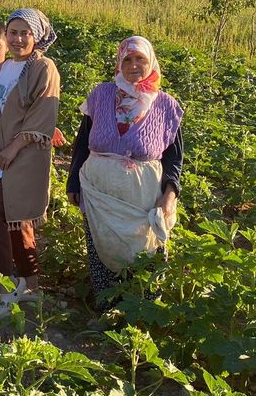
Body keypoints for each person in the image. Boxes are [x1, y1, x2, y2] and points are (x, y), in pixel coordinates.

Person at [66, 35, 183, 309]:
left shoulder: (166, 105)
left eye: (140, 59)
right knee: (101, 245)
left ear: (150, 61)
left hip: (142, 193)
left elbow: (174, 158)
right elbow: (82, 142)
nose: (133, 65)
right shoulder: (102, 94)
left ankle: (144, 310)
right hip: (99, 188)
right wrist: (73, 181)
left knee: (145, 248)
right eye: (127, 59)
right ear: (119, 63)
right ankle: (107, 308)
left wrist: (170, 193)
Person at [0, 8, 61, 316]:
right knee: (16, 221)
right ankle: (31, 286)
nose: (17, 38)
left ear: (37, 36)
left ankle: (4, 286)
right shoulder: (3, 68)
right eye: (13, 32)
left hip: (23, 158)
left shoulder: (44, 68)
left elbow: (43, 115)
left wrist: (13, 148)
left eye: (25, 32)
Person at [0, 20, 67, 205]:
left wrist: (45, 128)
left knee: (16, 212)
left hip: (17, 152)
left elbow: (39, 109)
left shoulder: (41, 68)